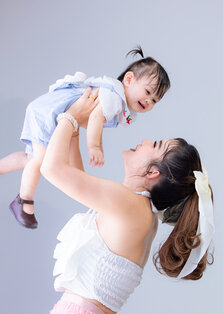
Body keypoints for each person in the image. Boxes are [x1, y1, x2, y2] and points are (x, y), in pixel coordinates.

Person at [34, 88, 214, 314]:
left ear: (153, 172)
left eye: (153, 145)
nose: (142, 140)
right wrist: (74, 130)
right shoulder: (139, 211)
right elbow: (77, 178)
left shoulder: (130, 206)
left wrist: (70, 117)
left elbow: (52, 169)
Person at [0, 46, 170, 229]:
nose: (148, 101)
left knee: (30, 159)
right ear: (129, 79)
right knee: (40, 160)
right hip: (48, 113)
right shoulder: (113, 96)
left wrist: (93, 144)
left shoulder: (116, 100)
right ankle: (24, 201)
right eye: (147, 92)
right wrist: (94, 146)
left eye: (154, 101)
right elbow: (95, 118)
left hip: (49, 110)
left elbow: (89, 121)